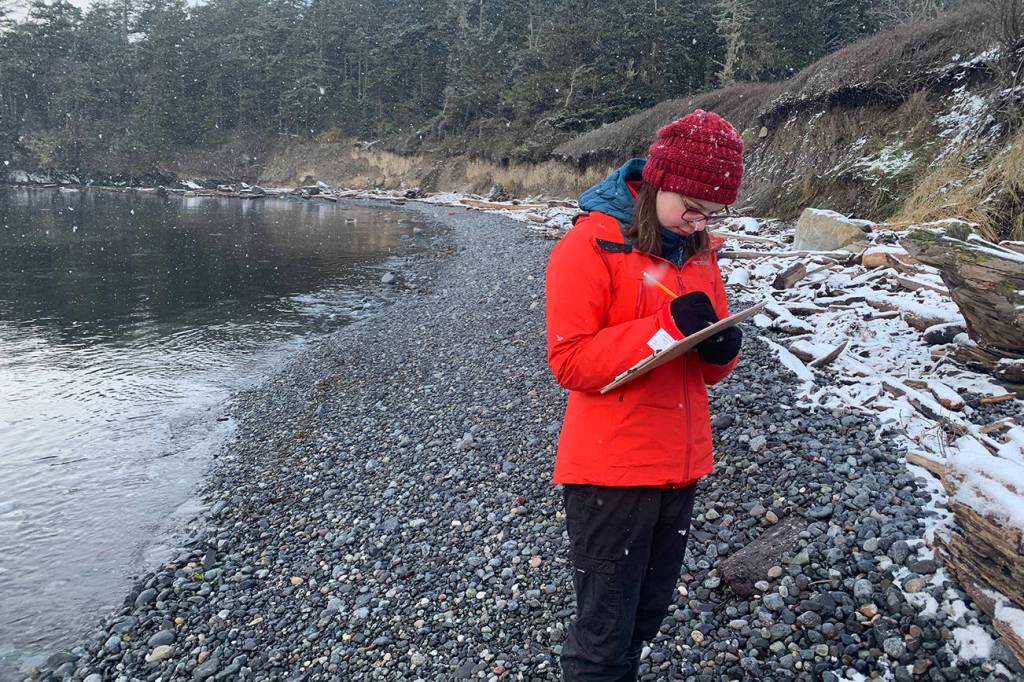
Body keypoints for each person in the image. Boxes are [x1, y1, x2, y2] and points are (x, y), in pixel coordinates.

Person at [544, 109, 745, 681]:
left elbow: (706, 374)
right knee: (603, 635)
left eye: (711, 212)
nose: (699, 221)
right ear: (659, 180)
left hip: (681, 468)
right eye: (692, 206)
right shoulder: (590, 246)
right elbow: (571, 361)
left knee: (644, 619)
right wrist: (667, 328)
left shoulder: (701, 252)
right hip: (610, 472)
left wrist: (721, 349)